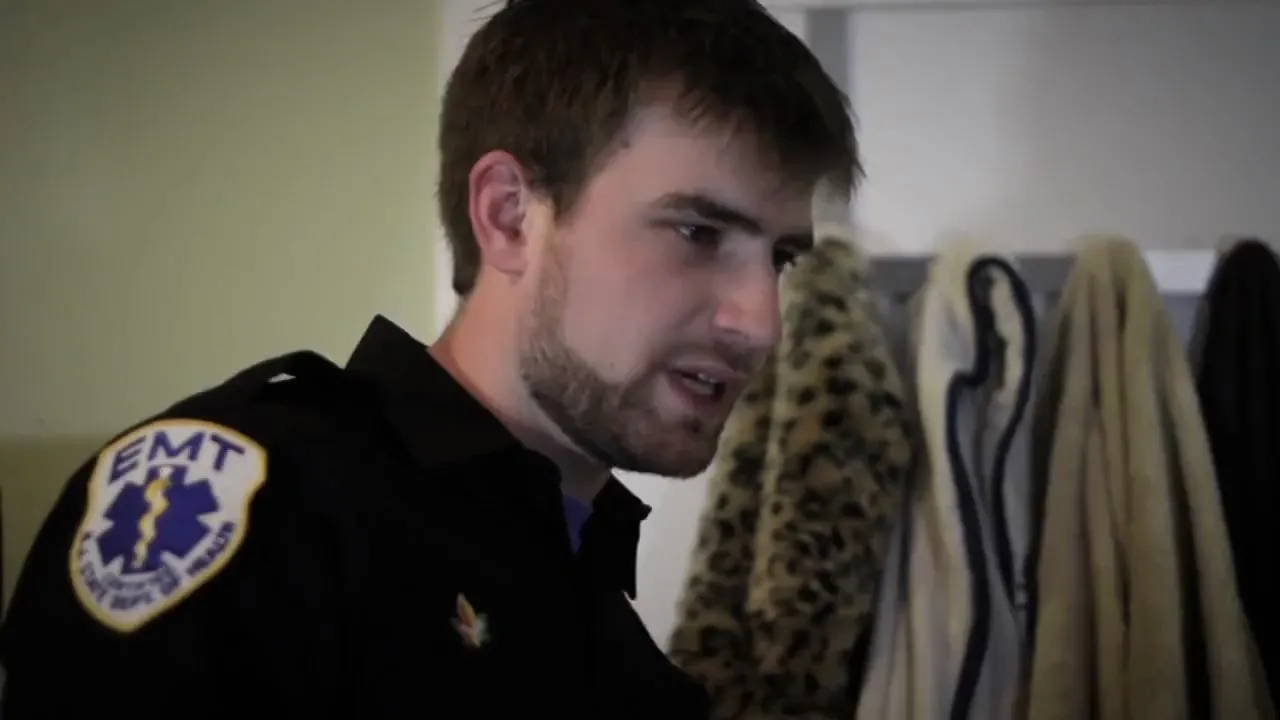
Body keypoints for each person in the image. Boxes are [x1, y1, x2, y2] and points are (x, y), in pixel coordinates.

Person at [0, 0, 857, 716]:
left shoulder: (628, 653)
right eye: (698, 232)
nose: (761, 325)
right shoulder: (266, 508)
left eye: (779, 258)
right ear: (510, 215)